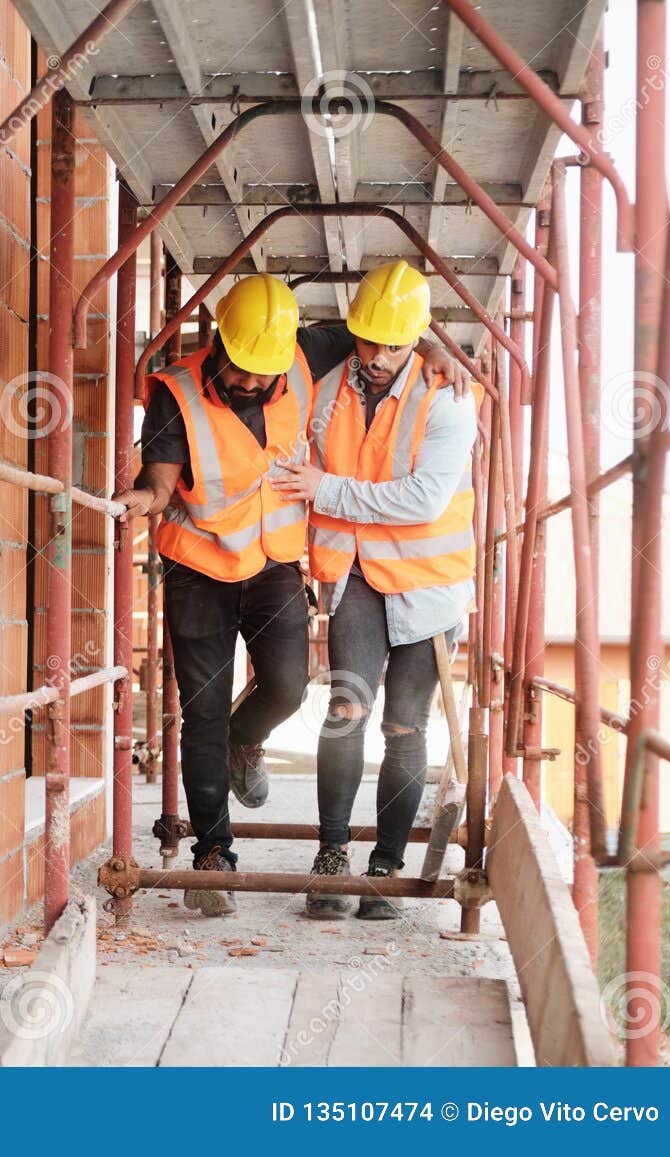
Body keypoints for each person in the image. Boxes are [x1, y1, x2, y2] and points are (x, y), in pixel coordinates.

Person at [114, 273, 471, 916]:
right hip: (200, 564)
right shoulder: (178, 391)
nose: (253, 382)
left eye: (265, 371)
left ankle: (251, 748)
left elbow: (393, 337)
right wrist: (145, 497)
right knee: (206, 714)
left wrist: (439, 349)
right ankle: (214, 857)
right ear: (220, 339)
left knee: (294, 688)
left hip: (292, 564)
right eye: (243, 369)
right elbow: (161, 478)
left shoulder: (310, 354)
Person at [270, 259, 481, 919]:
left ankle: (384, 870)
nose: (380, 355)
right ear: (352, 331)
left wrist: (324, 489)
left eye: (394, 343)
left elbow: (423, 498)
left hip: (428, 585)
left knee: (404, 724)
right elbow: (271, 370)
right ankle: (331, 858)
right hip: (357, 571)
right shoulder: (329, 377)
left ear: (418, 336)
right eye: (369, 341)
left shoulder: (446, 397)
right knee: (346, 709)